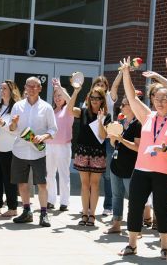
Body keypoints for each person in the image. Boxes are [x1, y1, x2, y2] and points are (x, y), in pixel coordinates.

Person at [118, 57, 167, 260]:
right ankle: (131, 244)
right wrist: (125, 72)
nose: (160, 102)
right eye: (156, 99)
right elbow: (131, 97)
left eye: (164, 99)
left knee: (160, 207)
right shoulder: (147, 116)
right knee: (135, 205)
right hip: (142, 169)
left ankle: (165, 246)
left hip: (165, 172)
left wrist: (166, 147)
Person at [9, 77, 57, 227]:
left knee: (42, 184)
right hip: (20, 150)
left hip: (39, 152)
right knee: (22, 183)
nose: (31, 89)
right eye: (29, 86)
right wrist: (14, 124)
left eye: (34, 86)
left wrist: (43, 136)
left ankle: (43, 214)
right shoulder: (17, 106)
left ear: (40, 89)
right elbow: (11, 130)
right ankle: (26, 212)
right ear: (25, 87)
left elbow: (53, 129)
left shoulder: (47, 107)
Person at [68, 79, 111, 226]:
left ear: (102, 100)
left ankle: (92, 214)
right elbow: (69, 110)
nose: (94, 101)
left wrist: (100, 121)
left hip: (98, 153)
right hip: (83, 151)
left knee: (95, 184)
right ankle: (84, 213)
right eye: (92, 98)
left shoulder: (107, 115)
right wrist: (75, 91)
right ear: (89, 99)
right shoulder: (83, 112)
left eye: (97, 98)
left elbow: (104, 136)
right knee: (84, 184)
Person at [104, 96, 141, 234]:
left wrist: (121, 139)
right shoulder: (121, 122)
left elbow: (138, 147)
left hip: (130, 167)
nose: (121, 107)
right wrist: (114, 139)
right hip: (116, 164)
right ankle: (116, 224)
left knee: (133, 199)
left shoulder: (138, 124)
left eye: (123, 104)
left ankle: (135, 229)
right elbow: (115, 144)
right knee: (116, 195)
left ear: (131, 105)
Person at [0, 80, 21, 217]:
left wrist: (4, 123)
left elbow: (16, 130)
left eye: (5, 88)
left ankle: (12, 207)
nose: (2, 91)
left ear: (11, 90)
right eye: (1, 88)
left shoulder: (16, 108)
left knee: (9, 179)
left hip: (10, 148)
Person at [90, 74, 121, 216]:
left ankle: (108, 206)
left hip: (108, 139)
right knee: (92, 173)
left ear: (106, 87)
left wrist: (121, 72)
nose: (100, 87)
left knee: (108, 175)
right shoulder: (90, 99)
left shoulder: (109, 97)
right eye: (98, 84)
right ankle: (89, 205)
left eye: (103, 85)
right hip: (94, 140)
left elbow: (115, 86)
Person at [45, 78, 74, 211]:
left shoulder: (68, 110)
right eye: (55, 95)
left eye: (60, 95)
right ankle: (51, 200)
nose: (57, 98)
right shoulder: (50, 110)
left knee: (63, 174)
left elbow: (70, 100)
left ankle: (64, 202)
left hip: (63, 146)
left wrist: (60, 87)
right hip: (49, 146)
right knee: (50, 174)